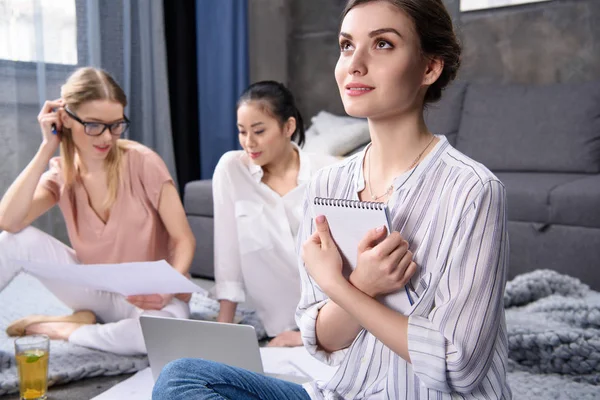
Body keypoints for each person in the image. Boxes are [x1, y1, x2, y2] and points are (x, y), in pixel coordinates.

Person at [152, 0, 511, 399]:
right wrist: (363, 283)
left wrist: (339, 286)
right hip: (343, 392)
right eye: (346, 45)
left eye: (383, 45)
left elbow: (456, 366)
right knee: (182, 377)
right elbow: (322, 340)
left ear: (430, 67)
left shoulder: (472, 190)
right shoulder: (327, 185)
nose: (353, 64)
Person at [0, 67, 196, 356]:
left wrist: (167, 289)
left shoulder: (143, 162)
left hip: (152, 299)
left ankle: (71, 330)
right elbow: (8, 221)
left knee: (156, 338)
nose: (106, 137)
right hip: (97, 293)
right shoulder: (60, 174)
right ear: (65, 118)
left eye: (116, 125)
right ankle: (94, 325)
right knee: (12, 241)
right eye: (94, 125)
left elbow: (184, 240)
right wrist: (46, 147)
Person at [211, 81, 337, 347]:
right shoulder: (232, 170)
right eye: (242, 131)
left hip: (331, 321)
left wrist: (313, 334)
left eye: (258, 131)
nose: (249, 142)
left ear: (288, 127)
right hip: (274, 328)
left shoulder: (327, 174)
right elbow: (227, 254)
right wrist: (222, 331)